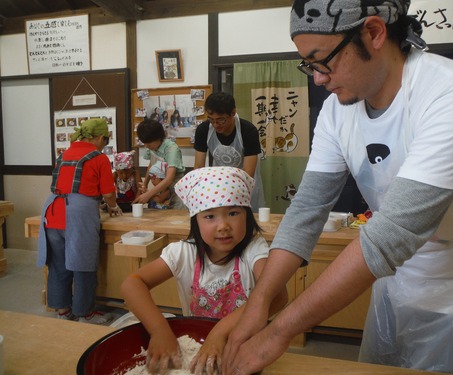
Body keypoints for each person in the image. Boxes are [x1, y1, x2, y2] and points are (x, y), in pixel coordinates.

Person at [222, 1, 453, 375]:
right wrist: (259, 301)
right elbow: (307, 209)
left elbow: (393, 232)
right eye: (309, 65)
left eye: (323, 61)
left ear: (373, 32)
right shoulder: (339, 109)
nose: (318, 78)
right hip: (391, 284)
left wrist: (278, 332)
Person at [120, 167, 288, 375]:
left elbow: (278, 295)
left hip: (243, 351)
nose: (223, 225)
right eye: (210, 216)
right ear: (195, 222)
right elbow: (132, 284)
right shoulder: (184, 252)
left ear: (248, 216)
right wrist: (159, 330)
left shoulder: (254, 249)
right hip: (198, 347)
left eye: (233, 213)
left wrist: (219, 333)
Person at [37, 118, 123, 325]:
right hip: (78, 214)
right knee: (82, 263)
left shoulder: (62, 155)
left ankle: (63, 310)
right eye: (106, 140)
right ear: (101, 137)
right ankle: (86, 314)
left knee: (57, 264)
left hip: (52, 210)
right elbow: (109, 193)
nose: (105, 144)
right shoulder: (98, 157)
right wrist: (113, 207)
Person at [194, 92, 265, 212]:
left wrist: (232, 195)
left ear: (233, 113)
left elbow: (248, 174)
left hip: (245, 186)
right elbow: (198, 167)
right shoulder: (203, 130)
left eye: (221, 120)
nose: (216, 125)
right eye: (211, 120)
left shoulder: (248, 131)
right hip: (218, 185)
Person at [133, 118, 186, 209]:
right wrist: (145, 184)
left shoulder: (171, 148)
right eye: (145, 144)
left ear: (159, 138)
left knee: (176, 216)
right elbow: (151, 165)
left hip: (175, 188)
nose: (146, 146)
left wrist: (149, 194)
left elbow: (169, 179)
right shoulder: (151, 147)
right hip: (160, 187)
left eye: (149, 144)